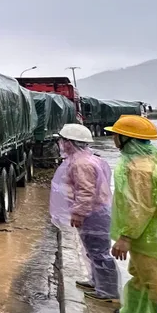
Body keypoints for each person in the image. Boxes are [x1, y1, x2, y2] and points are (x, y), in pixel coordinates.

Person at [107, 115, 157, 313]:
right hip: (154, 236)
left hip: (154, 238)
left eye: (115, 134)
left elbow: (139, 208)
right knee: (141, 277)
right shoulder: (151, 160)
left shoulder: (137, 170)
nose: (112, 138)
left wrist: (126, 237)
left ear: (125, 138)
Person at [50, 123, 120, 301]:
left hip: (94, 213)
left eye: (63, 140)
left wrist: (78, 213)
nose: (60, 143)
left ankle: (108, 292)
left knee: (99, 252)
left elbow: (86, 191)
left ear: (69, 143)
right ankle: (97, 282)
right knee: (93, 250)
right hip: (98, 211)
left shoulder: (81, 164)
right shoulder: (90, 158)